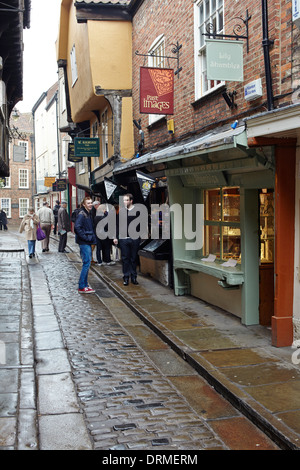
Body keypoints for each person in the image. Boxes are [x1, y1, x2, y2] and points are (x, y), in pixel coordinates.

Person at [114, 193, 140, 286]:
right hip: (124, 239)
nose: (124, 202)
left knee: (133, 259)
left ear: (131, 201)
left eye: (126, 200)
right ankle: (126, 277)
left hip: (134, 238)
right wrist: (115, 237)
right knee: (125, 259)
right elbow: (117, 225)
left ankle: (134, 277)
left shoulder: (137, 211)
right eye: (124, 200)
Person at [74, 197, 97, 294]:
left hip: (86, 241)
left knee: (87, 263)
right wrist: (86, 238)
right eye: (88, 203)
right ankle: (82, 286)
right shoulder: (82, 214)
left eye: (91, 202)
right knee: (86, 263)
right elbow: (77, 228)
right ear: (84, 204)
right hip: (84, 242)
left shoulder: (88, 213)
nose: (90, 204)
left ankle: (84, 284)